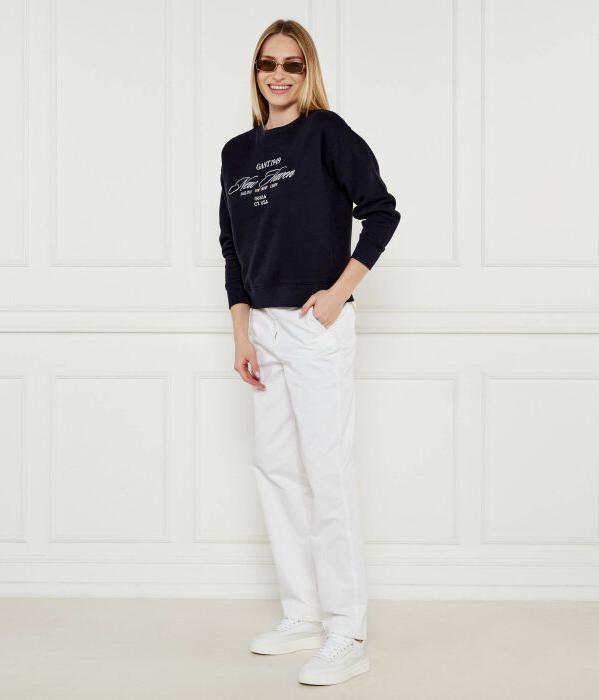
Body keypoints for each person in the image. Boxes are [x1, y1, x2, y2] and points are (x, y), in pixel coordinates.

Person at [218, 18, 400, 686]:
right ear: (256, 72)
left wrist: (337, 294)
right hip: (261, 329)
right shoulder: (236, 153)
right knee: (275, 469)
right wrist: (241, 332)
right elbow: (232, 250)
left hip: (314, 326)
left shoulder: (327, 133)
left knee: (326, 472)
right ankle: (301, 613)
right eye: (268, 64)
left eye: (292, 64)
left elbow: (381, 211)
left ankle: (347, 630)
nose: (280, 75)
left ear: (307, 71)